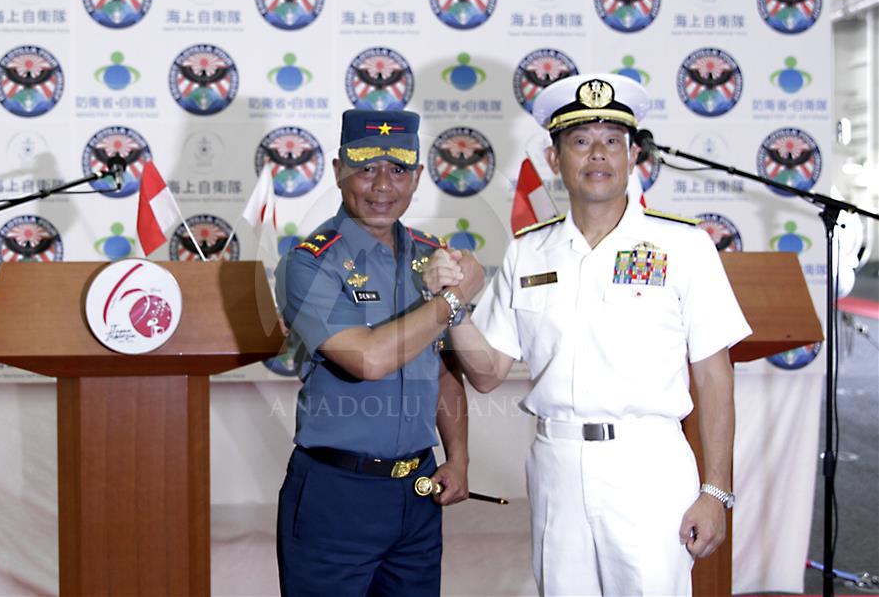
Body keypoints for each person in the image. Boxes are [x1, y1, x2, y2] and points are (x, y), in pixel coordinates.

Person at [422, 74, 753, 595]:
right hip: (557, 465)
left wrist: (717, 490)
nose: (597, 154)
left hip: (648, 465)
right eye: (580, 141)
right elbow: (487, 373)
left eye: (611, 141)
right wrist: (454, 306)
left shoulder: (683, 247)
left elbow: (714, 377)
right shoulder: (528, 251)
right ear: (555, 159)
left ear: (631, 156)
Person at [274, 109, 481, 596]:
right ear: (338, 169)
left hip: (418, 492)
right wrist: (452, 300)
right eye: (366, 168)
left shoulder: (432, 257)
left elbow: (445, 371)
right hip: (337, 494)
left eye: (399, 169)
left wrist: (459, 459)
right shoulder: (309, 263)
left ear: (418, 177)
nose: (383, 185)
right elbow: (367, 360)